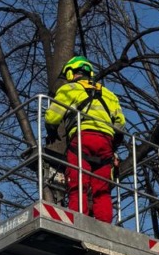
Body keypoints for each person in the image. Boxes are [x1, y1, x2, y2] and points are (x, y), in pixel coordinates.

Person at [44, 56, 126, 222]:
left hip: (83, 139)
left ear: (71, 73)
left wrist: (51, 130)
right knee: (101, 190)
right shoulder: (109, 94)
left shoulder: (70, 88)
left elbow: (52, 117)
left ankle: (79, 220)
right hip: (106, 143)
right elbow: (120, 124)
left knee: (78, 183)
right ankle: (104, 224)